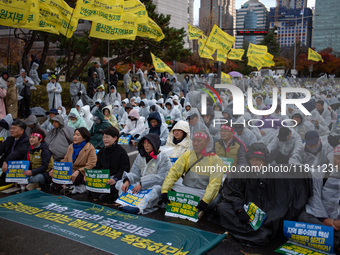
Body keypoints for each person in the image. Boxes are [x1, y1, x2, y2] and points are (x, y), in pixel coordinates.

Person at [212, 143, 312, 247]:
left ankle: (250, 231)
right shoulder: (241, 172)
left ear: (265, 160)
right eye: (252, 160)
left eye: (258, 160)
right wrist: (240, 210)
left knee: (271, 222)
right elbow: (234, 192)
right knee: (222, 207)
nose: (254, 163)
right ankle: (252, 231)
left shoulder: (273, 172)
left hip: (266, 208)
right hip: (245, 205)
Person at [161, 130, 224, 219]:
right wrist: (164, 190)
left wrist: (205, 200)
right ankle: (193, 207)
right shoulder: (187, 155)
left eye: (199, 141)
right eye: (194, 141)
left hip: (202, 191)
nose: (196, 143)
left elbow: (214, 183)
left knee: (215, 199)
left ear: (207, 142)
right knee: (167, 187)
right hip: (186, 187)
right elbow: (174, 172)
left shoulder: (216, 160)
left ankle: (192, 205)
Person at [298, 145, 340, 254]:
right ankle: (334, 239)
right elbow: (314, 196)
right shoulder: (322, 172)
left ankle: (328, 237)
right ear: (333, 158)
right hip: (322, 216)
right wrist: (324, 219)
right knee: (302, 215)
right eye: (338, 158)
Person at [116, 133, 171, 214]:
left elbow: (161, 178)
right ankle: (126, 202)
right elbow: (135, 172)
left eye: (149, 143)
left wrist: (142, 184)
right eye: (144, 143)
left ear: (154, 144)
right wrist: (127, 180)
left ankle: (140, 207)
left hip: (154, 185)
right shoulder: (140, 156)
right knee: (121, 183)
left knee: (156, 190)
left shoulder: (163, 158)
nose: (146, 145)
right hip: (140, 185)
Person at [90, 127, 130, 202]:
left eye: (107, 137)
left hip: (115, 179)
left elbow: (124, 169)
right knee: (86, 181)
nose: (105, 139)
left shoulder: (121, 152)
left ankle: (110, 195)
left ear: (115, 138)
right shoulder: (102, 151)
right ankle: (103, 194)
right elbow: (97, 167)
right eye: (104, 137)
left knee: (116, 187)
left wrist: (114, 179)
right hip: (103, 178)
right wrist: (89, 175)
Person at [52, 127, 97, 195]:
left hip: (81, 172)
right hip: (70, 171)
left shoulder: (90, 148)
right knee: (51, 173)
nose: (75, 137)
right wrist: (56, 168)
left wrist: (78, 171)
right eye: (74, 135)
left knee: (77, 178)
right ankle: (64, 187)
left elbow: (91, 165)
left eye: (77, 135)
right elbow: (65, 160)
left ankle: (60, 186)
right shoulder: (71, 146)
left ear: (84, 137)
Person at [0, 120, 30, 186]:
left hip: (17, 165)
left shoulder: (27, 140)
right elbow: (1, 148)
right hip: (5, 163)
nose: (11, 130)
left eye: (14, 128)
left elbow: (18, 153)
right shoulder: (10, 139)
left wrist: (6, 161)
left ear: (22, 130)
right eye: (11, 128)